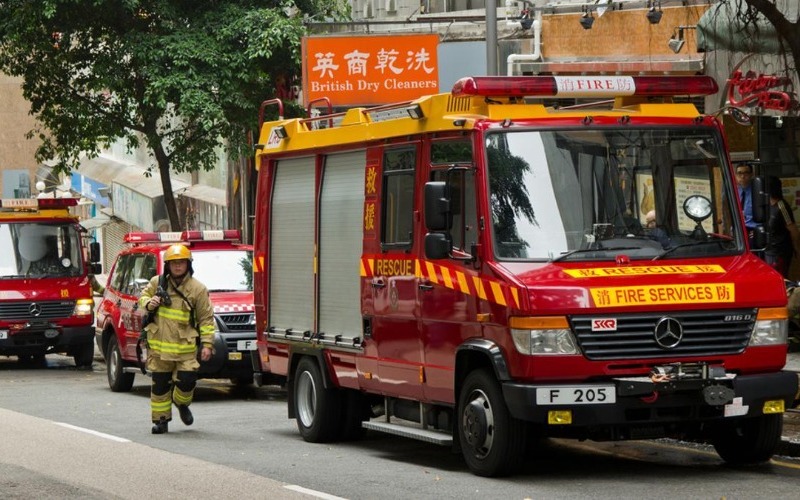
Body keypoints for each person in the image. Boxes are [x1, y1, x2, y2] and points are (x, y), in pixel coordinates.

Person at [139, 244, 215, 434]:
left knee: (187, 381)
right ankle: (161, 421)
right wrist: (149, 303)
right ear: (168, 265)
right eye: (174, 263)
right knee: (160, 386)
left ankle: (181, 403)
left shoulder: (197, 289)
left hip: (185, 348)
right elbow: (141, 299)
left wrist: (207, 344)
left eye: (181, 262)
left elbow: (206, 319)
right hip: (159, 348)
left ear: (188, 264)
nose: (178, 266)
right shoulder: (157, 283)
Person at [763, 176, 800, 278]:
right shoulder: (767, 205)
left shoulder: (782, 206)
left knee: (780, 278)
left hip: (780, 252)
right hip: (768, 250)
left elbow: (793, 230)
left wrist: (797, 248)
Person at [736, 162, 757, 247]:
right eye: (740, 173)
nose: (742, 176)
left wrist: (759, 230)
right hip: (739, 228)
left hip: (753, 229)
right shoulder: (735, 190)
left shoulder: (757, 191)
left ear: (751, 174)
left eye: (746, 173)